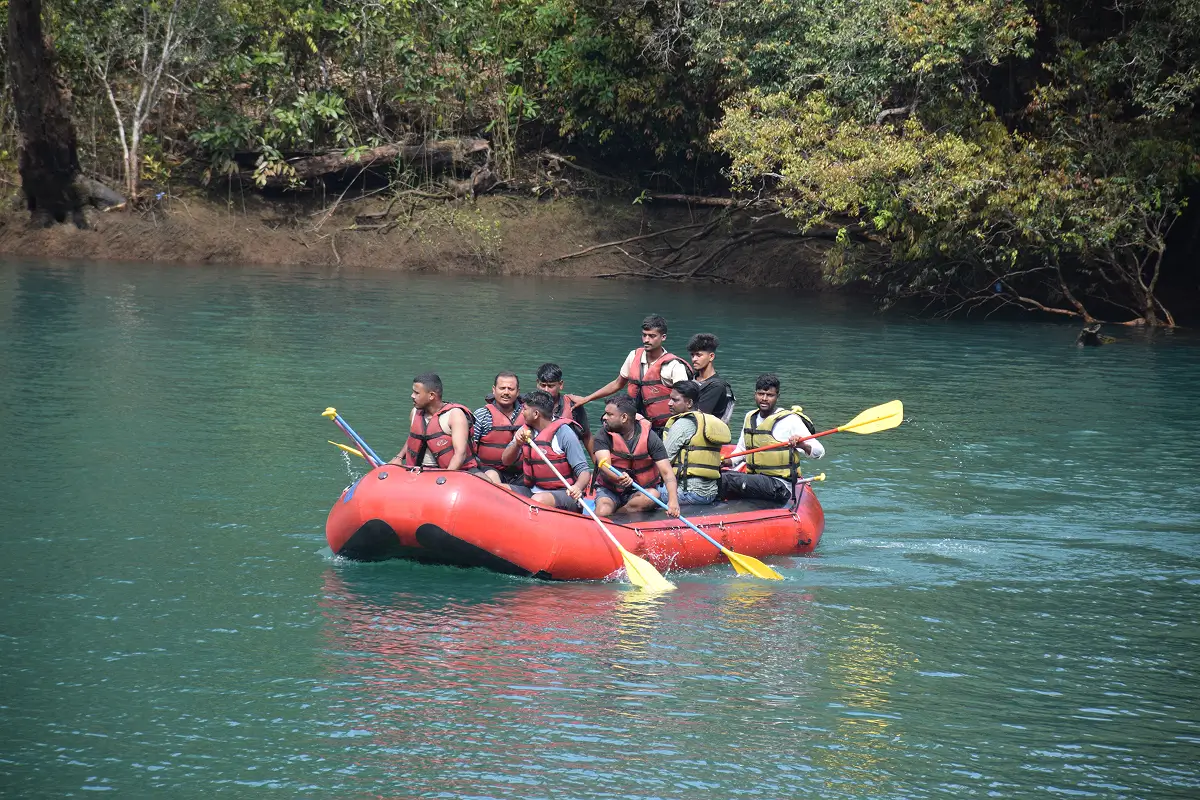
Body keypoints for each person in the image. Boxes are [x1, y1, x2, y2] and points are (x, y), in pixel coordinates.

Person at [574, 314, 692, 431]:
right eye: (644, 335)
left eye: (652, 336)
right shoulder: (634, 356)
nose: (646, 340)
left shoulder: (674, 366)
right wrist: (586, 399)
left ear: (663, 337)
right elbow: (617, 384)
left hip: (664, 427)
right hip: (634, 425)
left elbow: (684, 399)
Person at [721, 373, 823, 504]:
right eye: (760, 394)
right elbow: (742, 450)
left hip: (780, 485)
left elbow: (819, 452)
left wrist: (802, 445)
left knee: (726, 479)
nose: (764, 399)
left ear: (777, 397)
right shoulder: (749, 417)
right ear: (755, 394)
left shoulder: (790, 420)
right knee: (717, 474)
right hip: (756, 481)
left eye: (770, 395)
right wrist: (725, 462)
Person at [391, 372, 496, 481]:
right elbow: (413, 438)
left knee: (489, 482)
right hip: (420, 472)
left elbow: (460, 454)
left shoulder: (454, 415)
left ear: (431, 395)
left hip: (454, 472)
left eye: (417, 393)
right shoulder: (415, 413)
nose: (412, 396)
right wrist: (398, 457)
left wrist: (445, 479)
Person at [501, 390, 592, 511]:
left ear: (536, 414)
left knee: (538, 500)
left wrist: (577, 487)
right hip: (533, 490)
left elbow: (584, 471)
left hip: (564, 494)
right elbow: (505, 461)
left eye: (525, 409)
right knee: (498, 490)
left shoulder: (564, 433)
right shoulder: (525, 431)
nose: (522, 412)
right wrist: (517, 444)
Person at [592, 395, 680, 518]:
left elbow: (667, 472)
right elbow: (604, 465)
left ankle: (619, 514)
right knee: (603, 511)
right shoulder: (603, 434)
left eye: (609, 414)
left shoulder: (650, 437)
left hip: (638, 491)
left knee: (653, 496)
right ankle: (611, 514)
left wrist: (673, 500)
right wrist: (618, 477)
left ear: (624, 417)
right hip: (610, 489)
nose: (604, 418)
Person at [662, 380, 730, 505]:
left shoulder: (682, 423)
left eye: (675, 400)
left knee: (644, 494)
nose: (669, 403)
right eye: (669, 399)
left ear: (689, 403)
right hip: (711, 493)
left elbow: (664, 460)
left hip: (688, 492)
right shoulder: (707, 421)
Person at [472, 371, 523, 483]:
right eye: (502, 388)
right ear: (494, 390)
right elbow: (470, 448)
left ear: (518, 392)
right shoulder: (482, 415)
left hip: (522, 471)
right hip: (489, 469)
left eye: (510, 389)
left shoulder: (528, 414)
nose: (506, 392)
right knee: (492, 475)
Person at [533, 362, 593, 452]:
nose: (546, 390)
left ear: (560, 385)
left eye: (550, 386)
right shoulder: (529, 405)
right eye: (543, 385)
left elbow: (587, 436)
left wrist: (598, 464)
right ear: (537, 383)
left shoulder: (573, 406)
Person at [687, 332, 736, 424]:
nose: (694, 359)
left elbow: (699, 416)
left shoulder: (717, 386)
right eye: (692, 355)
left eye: (698, 355)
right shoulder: (691, 378)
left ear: (711, 357)